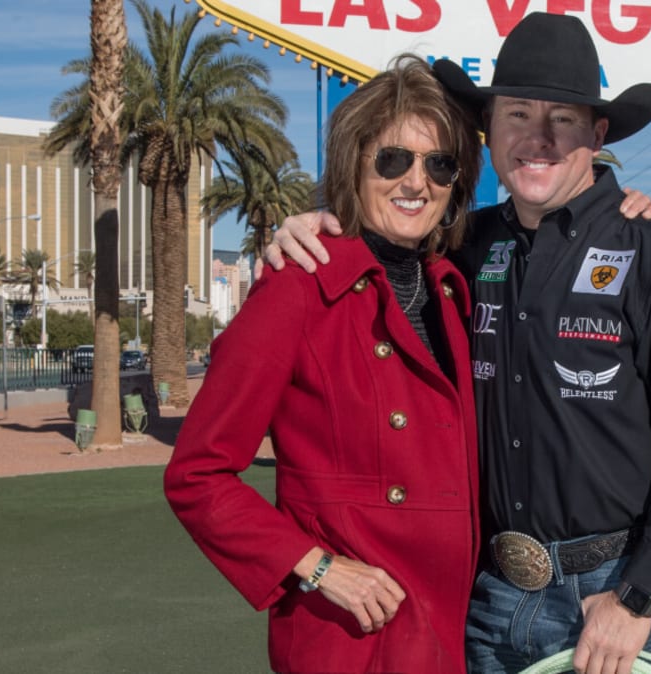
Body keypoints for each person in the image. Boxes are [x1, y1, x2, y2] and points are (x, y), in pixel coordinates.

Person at [268, 13, 651, 674]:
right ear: (488, 130)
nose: (539, 139)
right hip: (485, 596)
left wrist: (636, 598)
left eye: (564, 118)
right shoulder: (463, 245)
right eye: (518, 115)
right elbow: (380, 231)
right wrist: (307, 227)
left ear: (598, 133)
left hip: (605, 600)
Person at [163, 55, 484, 674]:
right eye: (393, 159)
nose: (416, 181)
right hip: (356, 634)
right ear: (354, 166)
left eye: (438, 163)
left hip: (455, 630)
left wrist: (623, 209)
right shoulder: (300, 285)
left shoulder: (454, 289)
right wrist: (317, 567)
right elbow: (197, 475)